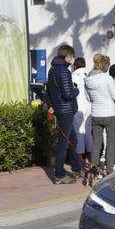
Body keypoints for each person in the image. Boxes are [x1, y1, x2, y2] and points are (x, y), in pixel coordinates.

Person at [44, 44, 83, 184]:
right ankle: (59, 174)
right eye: (72, 56)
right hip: (66, 110)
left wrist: (51, 106)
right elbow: (67, 95)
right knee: (64, 143)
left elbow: (48, 92)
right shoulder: (64, 72)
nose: (72, 59)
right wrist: (76, 90)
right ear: (67, 56)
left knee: (72, 140)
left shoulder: (52, 70)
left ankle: (77, 167)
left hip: (59, 110)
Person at [84, 54, 115, 175]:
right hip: (110, 113)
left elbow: (89, 98)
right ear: (105, 66)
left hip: (96, 114)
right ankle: (109, 171)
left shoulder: (88, 80)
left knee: (96, 143)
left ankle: (93, 170)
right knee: (110, 143)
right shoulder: (108, 79)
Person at [70, 57, 91, 160]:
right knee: (88, 132)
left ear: (75, 66)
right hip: (89, 106)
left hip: (78, 106)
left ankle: (80, 158)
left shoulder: (73, 76)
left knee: (79, 132)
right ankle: (91, 158)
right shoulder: (89, 75)